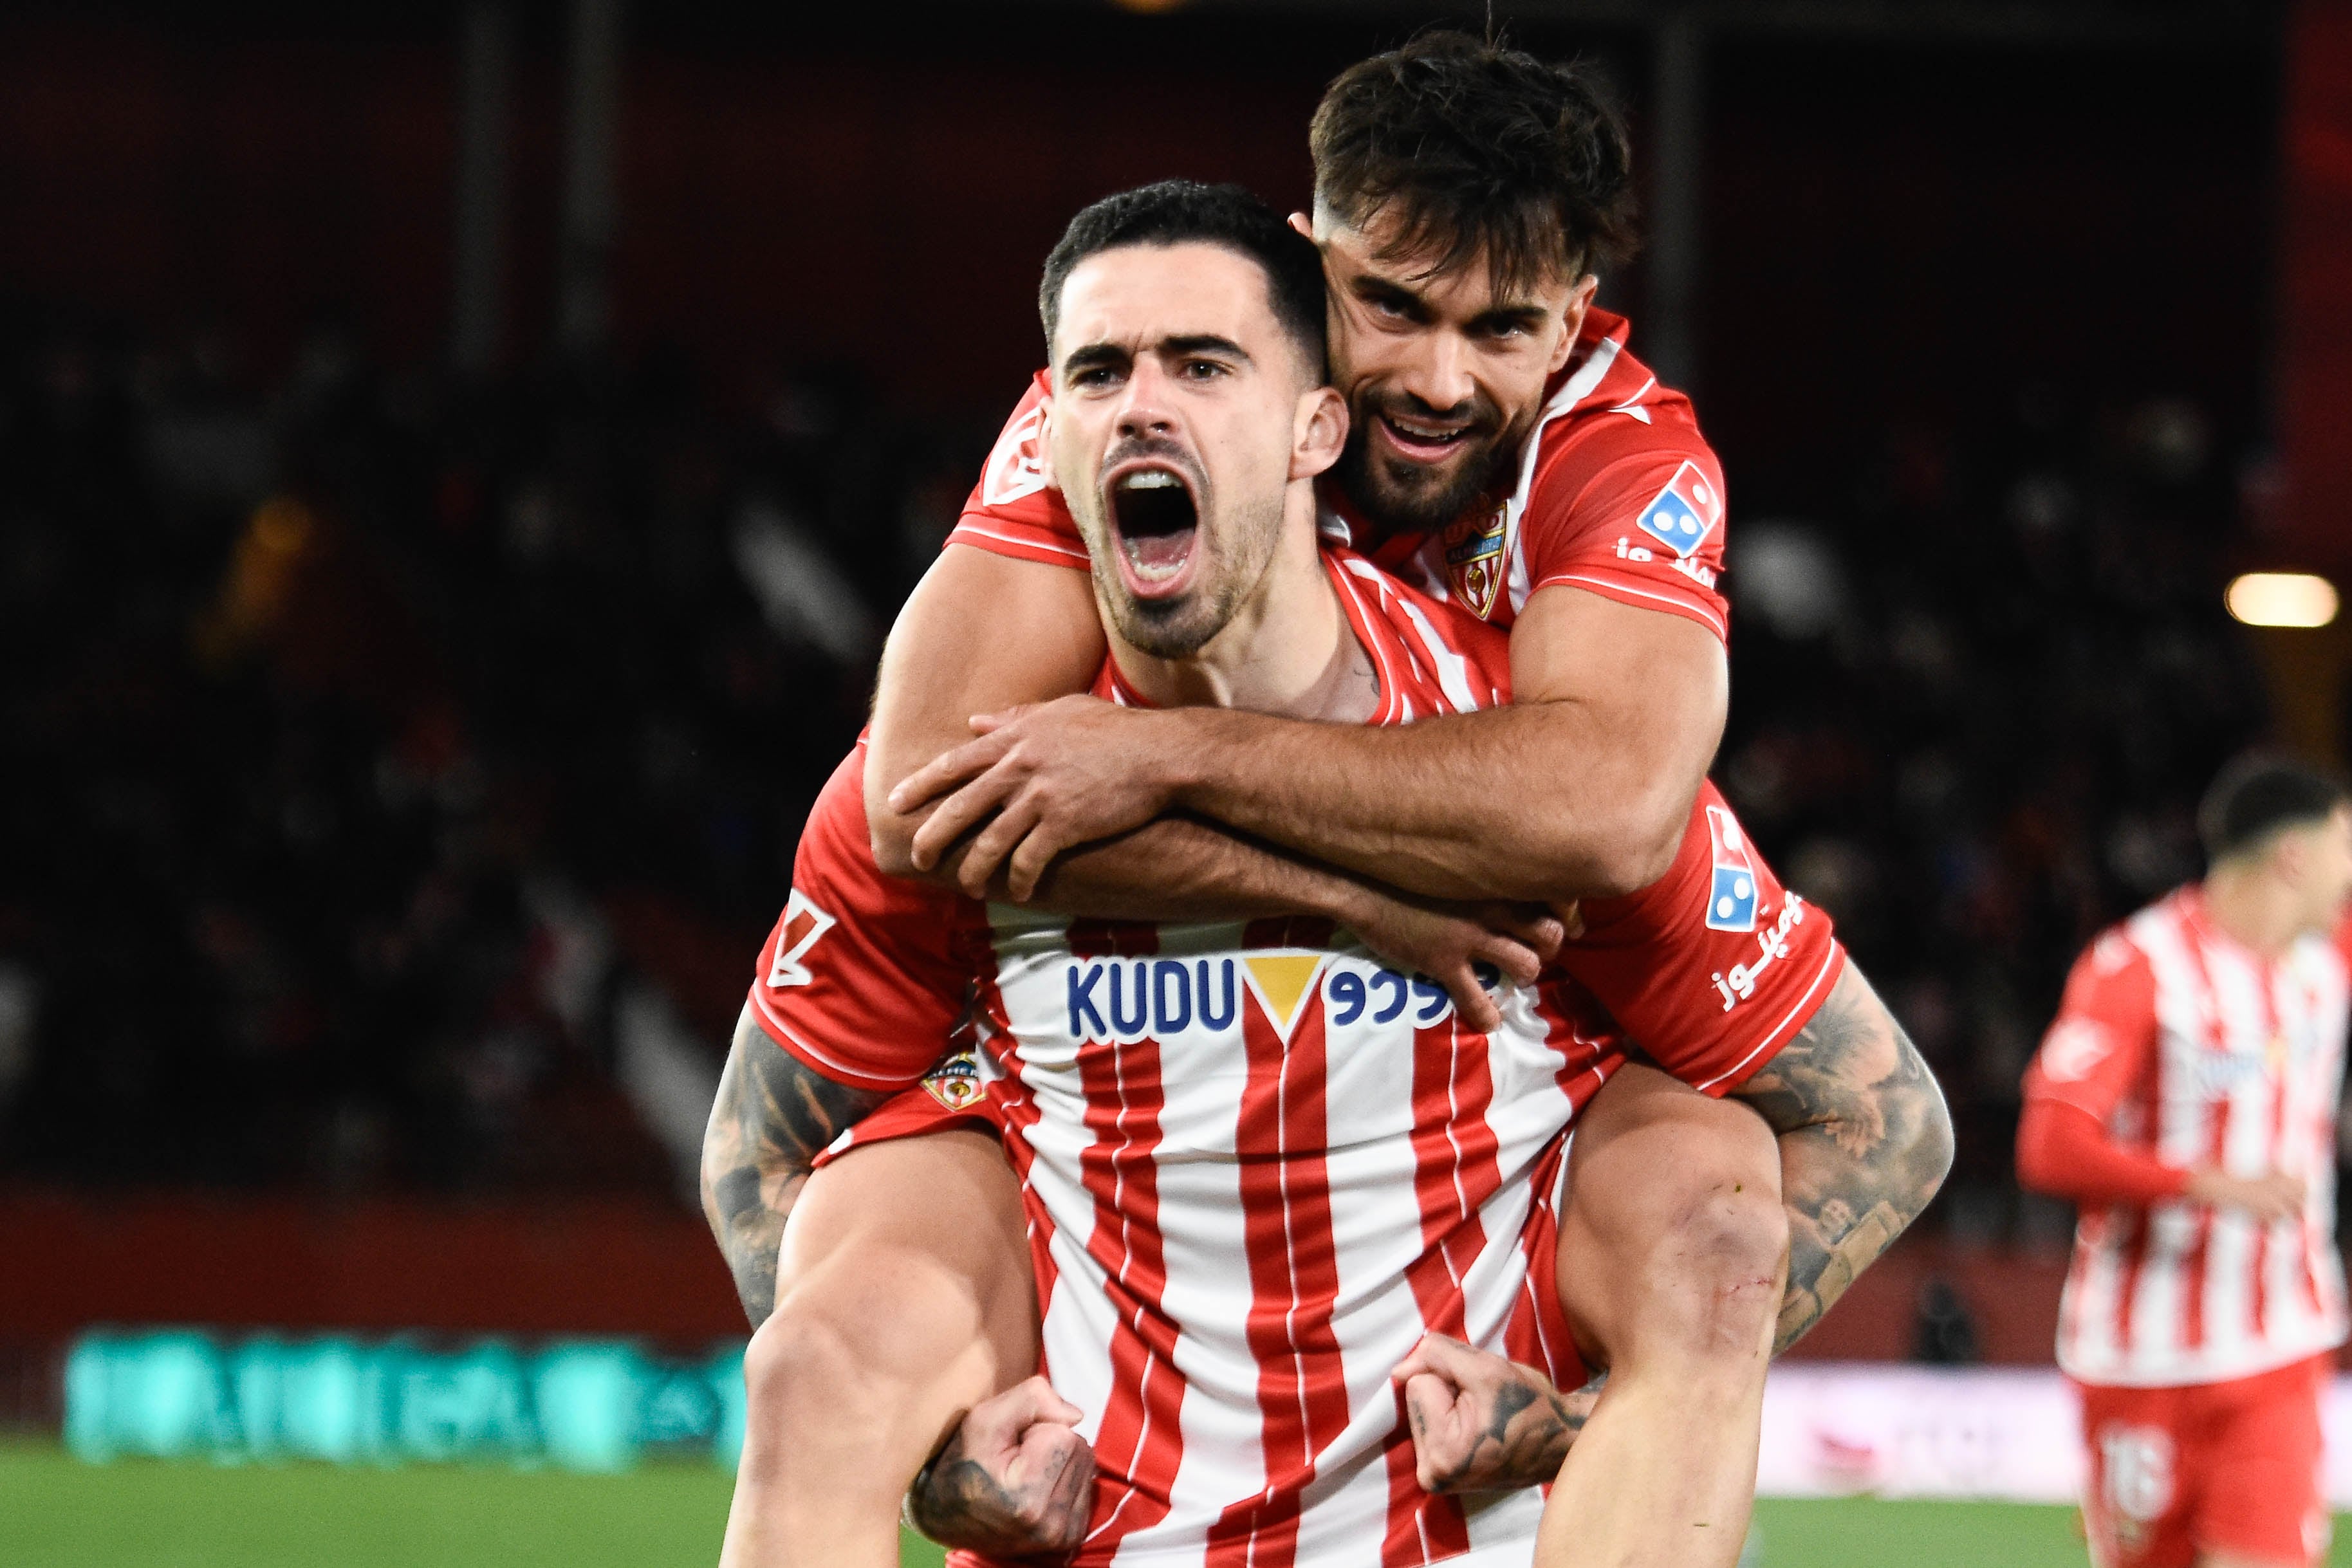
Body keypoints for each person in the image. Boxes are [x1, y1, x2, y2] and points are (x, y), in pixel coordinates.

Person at [703, 180, 1950, 1568]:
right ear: (1047, 440)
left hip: (1467, 1511)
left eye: (1203, 366)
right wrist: (940, 1461)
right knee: (818, 1347)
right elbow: (757, 1153)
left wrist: (1592, 1414)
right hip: (1099, 1513)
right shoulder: (957, 785)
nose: (1145, 407)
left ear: (1319, 427)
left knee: (1711, 1194)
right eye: (1101, 373)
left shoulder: (1527, 785)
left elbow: (1880, 1114)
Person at [2017, 755, 2352, 1568]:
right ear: (2294, 854)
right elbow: (2050, 1146)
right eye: (2344, 845)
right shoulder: (2139, 968)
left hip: (2280, 1343)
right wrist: (2207, 1183)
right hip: (2142, 1355)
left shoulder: (2328, 957)